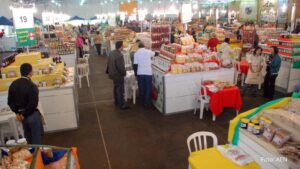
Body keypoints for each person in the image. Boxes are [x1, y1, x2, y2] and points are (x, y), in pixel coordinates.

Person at [8, 63, 44, 144]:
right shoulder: (32, 86)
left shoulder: (13, 84)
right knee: (37, 137)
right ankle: (37, 155)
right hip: (32, 115)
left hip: (21, 117)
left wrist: (17, 113)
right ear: (30, 72)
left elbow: (10, 101)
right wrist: (24, 114)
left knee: (28, 138)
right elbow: (33, 104)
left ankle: (30, 154)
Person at [107, 41, 129, 110]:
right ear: (121, 47)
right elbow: (121, 67)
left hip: (112, 73)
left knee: (116, 87)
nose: (123, 47)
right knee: (120, 90)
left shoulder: (111, 53)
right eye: (123, 46)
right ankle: (121, 104)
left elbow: (108, 63)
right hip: (118, 75)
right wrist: (124, 73)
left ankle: (116, 101)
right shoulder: (119, 55)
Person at [134, 42, 155, 107]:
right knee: (148, 87)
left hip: (140, 73)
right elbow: (155, 54)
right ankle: (147, 103)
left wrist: (136, 74)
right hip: (148, 72)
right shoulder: (148, 51)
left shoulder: (136, 53)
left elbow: (135, 65)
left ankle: (142, 101)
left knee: (141, 87)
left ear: (138, 47)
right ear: (144, 46)